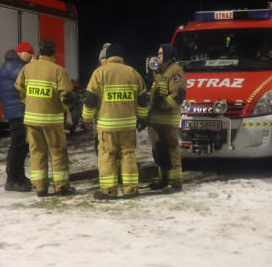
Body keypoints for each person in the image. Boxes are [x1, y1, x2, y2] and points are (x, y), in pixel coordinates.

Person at [83, 43, 149, 199]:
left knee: (107, 155)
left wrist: (86, 118)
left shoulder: (99, 73)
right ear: (121, 57)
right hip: (128, 125)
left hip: (107, 125)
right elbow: (142, 100)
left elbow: (90, 100)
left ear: (108, 56)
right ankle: (131, 189)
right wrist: (142, 117)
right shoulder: (133, 73)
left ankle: (109, 191)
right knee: (128, 154)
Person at [15, 38, 78, 197]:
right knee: (58, 153)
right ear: (54, 51)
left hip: (32, 121)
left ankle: (40, 188)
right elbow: (68, 97)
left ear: (39, 50)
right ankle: (61, 187)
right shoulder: (58, 71)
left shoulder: (27, 69)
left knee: (36, 153)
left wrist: (28, 102)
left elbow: (17, 92)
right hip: (53, 121)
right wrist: (61, 109)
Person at [148, 43, 187, 193]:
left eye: (160, 54)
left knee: (171, 150)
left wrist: (162, 105)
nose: (158, 56)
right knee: (160, 150)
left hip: (168, 119)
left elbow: (178, 95)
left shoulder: (175, 71)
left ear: (169, 54)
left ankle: (175, 182)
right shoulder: (160, 72)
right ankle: (163, 179)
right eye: (157, 54)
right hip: (157, 120)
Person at [0, 42, 34, 191]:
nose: (31, 57)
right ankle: (12, 179)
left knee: (22, 145)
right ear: (20, 52)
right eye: (29, 54)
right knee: (17, 145)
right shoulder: (11, 66)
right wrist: (34, 66)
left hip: (19, 111)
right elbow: (27, 75)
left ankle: (19, 176)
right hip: (16, 112)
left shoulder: (14, 64)